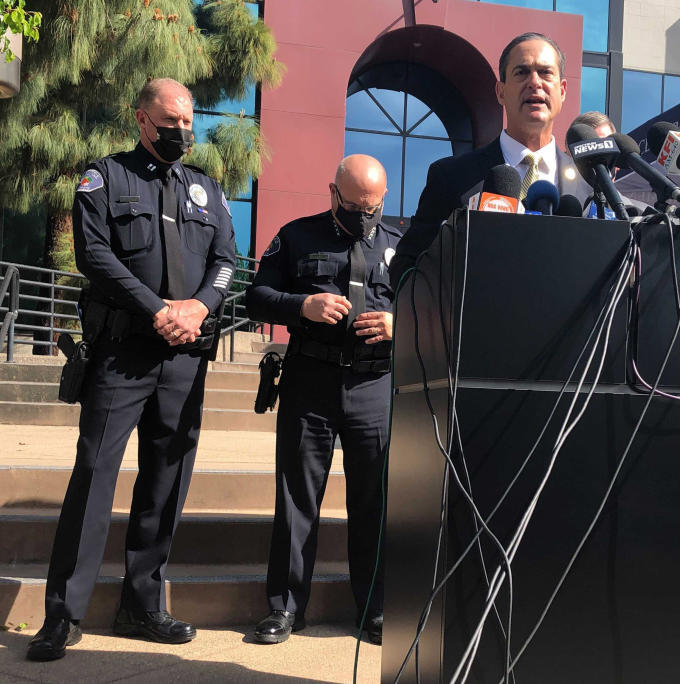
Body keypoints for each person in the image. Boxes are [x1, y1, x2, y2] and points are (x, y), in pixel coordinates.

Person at [27, 78, 236, 661]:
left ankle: (143, 606)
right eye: (171, 123)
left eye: (189, 122)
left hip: (185, 357)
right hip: (123, 354)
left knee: (165, 483)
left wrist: (199, 306)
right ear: (141, 118)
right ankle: (62, 615)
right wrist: (157, 309)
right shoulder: (104, 177)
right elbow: (95, 255)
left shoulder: (205, 188)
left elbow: (227, 259)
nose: (182, 133)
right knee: (94, 475)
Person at [245, 154, 400, 645]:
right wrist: (302, 305)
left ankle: (375, 609)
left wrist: (401, 323)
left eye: (372, 206)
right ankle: (285, 608)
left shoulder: (402, 245)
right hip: (310, 381)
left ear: (384, 199)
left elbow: (433, 305)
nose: (362, 214)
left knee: (374, 502)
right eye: (353, 204)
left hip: (374, 386)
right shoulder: (297, 235)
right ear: (333, 193)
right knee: (296, 499)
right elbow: (256, 296)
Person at [389, 32, 593, 286]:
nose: (534, 82)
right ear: (500, 91)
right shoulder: (451, 177)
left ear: (562, 91)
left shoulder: (589, 186)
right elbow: (406, 269)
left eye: (545, 73)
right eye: (521, 72)